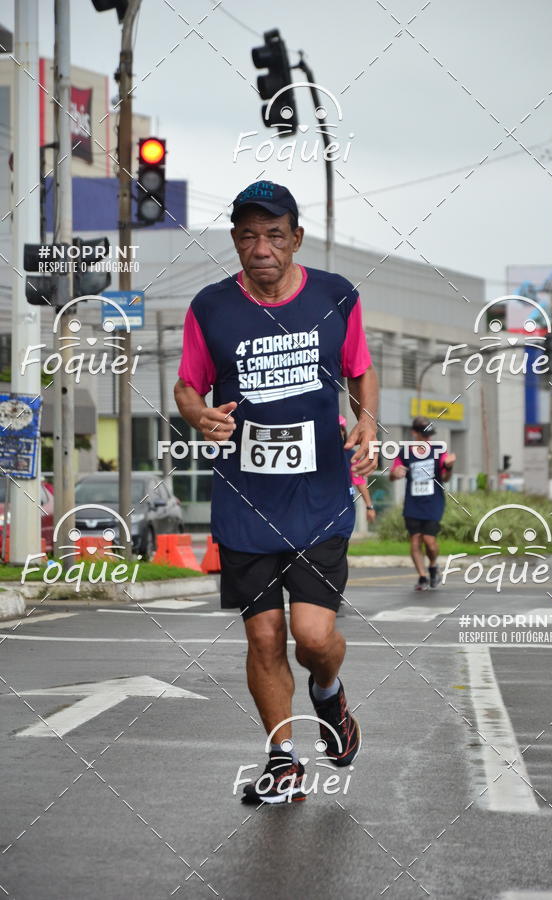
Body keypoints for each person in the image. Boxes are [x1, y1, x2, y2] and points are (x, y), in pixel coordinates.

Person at [174, 181, 379, 803]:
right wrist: (197, 414)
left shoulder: (335, 296)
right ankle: (283, 758)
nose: (260, 247)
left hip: (318, 497)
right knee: (263, 637)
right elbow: (187, 385)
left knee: (314, 639)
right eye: (248, 235)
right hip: (245, 501)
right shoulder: (210, 308)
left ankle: (328, 695)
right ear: (235, 240)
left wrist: (367, 419)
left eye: (273, 234)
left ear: (295, 237)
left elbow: (360, 368)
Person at [389, 416, 455, 590]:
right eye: (424, 435)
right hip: (413, 502)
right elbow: (392, 475)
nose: (428, 439)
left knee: (430, 541)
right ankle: (422, 576)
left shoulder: (439, 451)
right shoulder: (404, 452)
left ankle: (433, 565)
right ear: (414, 433)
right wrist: (395, 473)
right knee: (415, 540)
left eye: (429, 435)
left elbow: (446, 478)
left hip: (433, 502)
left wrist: (448, 467)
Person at [339, 415, 376, 525]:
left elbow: (359, 481)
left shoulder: (351, 455)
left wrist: (369, 507)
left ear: (344, 432)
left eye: (341, 429)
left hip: (345, 506)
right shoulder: (317, 455)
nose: (338, 432)